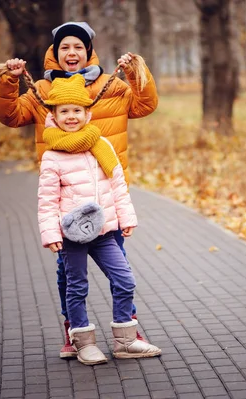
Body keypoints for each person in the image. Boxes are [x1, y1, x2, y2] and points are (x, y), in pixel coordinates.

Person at [0, 21, 158, 359]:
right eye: (65, 47)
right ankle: (74, 333)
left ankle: (128, 327)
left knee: (120, 269)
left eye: (78, 46)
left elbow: (144, 105)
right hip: (66, 201)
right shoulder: (43, 94)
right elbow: (9, 115)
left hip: (106, 197)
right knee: (69, 275)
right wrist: (9, 80)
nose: (72, 52)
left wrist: (137, 71)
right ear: (55, 53)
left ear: (88, 51)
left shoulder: (111, 87)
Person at [37, 74, 161, 365]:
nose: (71, 116)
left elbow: (118, 185)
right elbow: (47, 200)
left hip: (105, 231)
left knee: (124, 279)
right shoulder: (52, 155)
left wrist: (126, 217)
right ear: (53, 115)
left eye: (77, 110)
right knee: (76, 286)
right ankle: (83, 342)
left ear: (88, 113)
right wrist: (51, 234)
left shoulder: (102, 145)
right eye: (64, 111)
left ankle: (126, 340)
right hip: (72, 235)